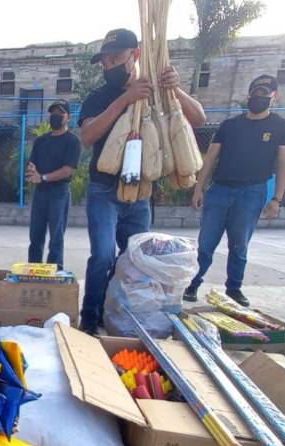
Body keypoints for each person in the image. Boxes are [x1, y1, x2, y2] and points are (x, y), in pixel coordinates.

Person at [77, 28, 206, 334]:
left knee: (138, 260)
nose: (108, 66)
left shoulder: (159, 90)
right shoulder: (99, 97)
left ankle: (125, 316)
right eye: (104, 62)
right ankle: (90, 319)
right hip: (104, 189)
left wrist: (176, 90)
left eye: (114, 59)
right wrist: (124, 100)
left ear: (134, 55)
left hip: (140, 192)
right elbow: (88, 135)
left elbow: (199, 118)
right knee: (104, 255)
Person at [183, 75, 285, 307]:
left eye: (264, 94)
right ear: (248, 95)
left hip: (252, 192)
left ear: (275, 96)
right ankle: (192, 283)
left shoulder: (282, 127)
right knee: (206, 243)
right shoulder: (230, 125)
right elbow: (211, 157)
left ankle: (234, 288)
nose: (258, 98)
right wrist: (199, 188)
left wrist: (277, 198)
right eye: (255, 93)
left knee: (239, 244)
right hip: (220, 190)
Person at [25, 100, 81, 268]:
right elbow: (32, 163)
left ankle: (54, 273)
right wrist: (32, 170)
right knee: (35, 236)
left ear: (68, 117)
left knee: (56, 237)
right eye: (53, 113)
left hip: (59, 193)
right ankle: (34, 271)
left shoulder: (72, 141)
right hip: (40, 193)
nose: (55, 116)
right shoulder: (41, 141)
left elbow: (67, 170)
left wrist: (42, 177)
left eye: (60, 113)